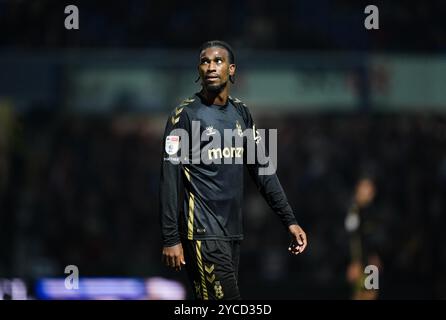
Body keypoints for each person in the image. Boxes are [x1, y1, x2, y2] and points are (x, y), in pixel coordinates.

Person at [159, 40, 307, 300]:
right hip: (202, 232)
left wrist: (289, 220)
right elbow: (169, 179)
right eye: (205, 61)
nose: (211, 67)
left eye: (218, 61)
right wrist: (171, 237)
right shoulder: (183, 116)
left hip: (232, 233)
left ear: (232, 69)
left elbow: (263, 169)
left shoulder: (241, 112)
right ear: (198, 70)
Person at [344, 176, 382, 300]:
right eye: (365, 187)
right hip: (360, 263)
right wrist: (354, 261)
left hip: (370, 263)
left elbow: (371, 238)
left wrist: (375, 256)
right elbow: (353, 238)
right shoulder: (354, 211)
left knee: (370, 294)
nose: (369, 191)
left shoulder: (371, 210)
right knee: (361, 295)